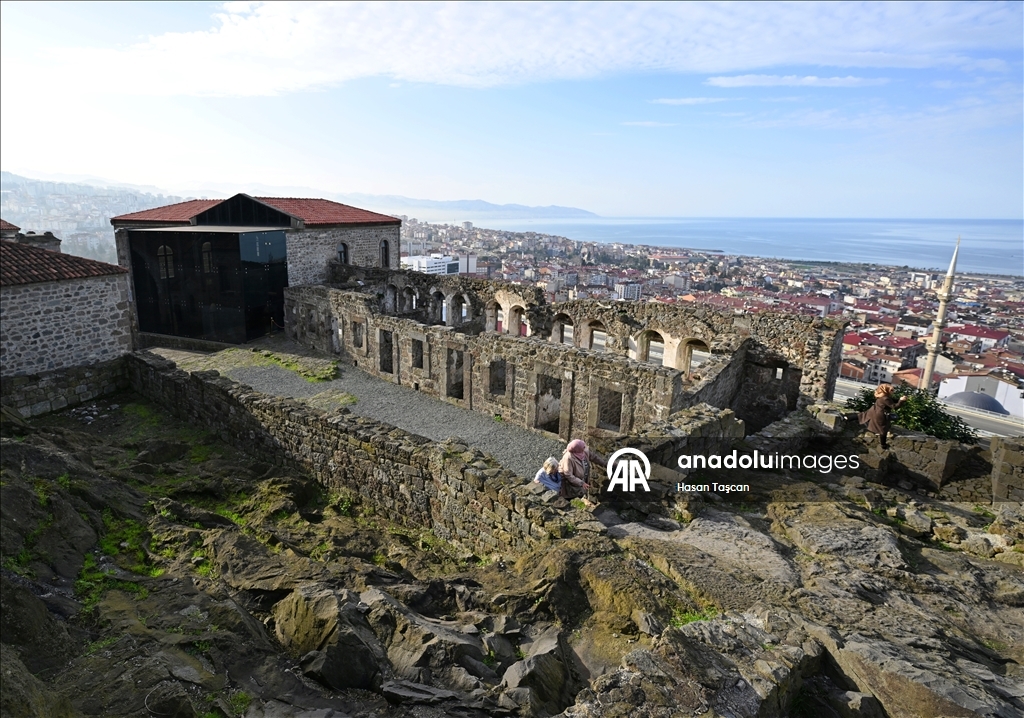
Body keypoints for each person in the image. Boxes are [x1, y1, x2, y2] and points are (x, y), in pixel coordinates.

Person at [858, 383, 907, 450]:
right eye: (891, 390)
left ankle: (847, 418)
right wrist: (901, 401)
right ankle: (883, 445)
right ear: (886, 390)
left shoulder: (883, 396)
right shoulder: (885, 398)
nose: (893, 391)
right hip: (880, 415)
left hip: (875, 412)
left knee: (862, 416)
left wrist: (900, 399)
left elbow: (893, 400)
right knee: (883, 429)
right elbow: (894, 406)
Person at [558, 439, 607, 506]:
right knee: (570, 499)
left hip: (582, 479)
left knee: (580, 494)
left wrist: (605, 464)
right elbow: (568, 474)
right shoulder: (568, 458)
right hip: (571, 484)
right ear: (577, 448)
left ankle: (581, 501)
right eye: (583, 447)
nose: (585, 447)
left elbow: (594, 458)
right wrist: (581, 483)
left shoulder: (583, 451)